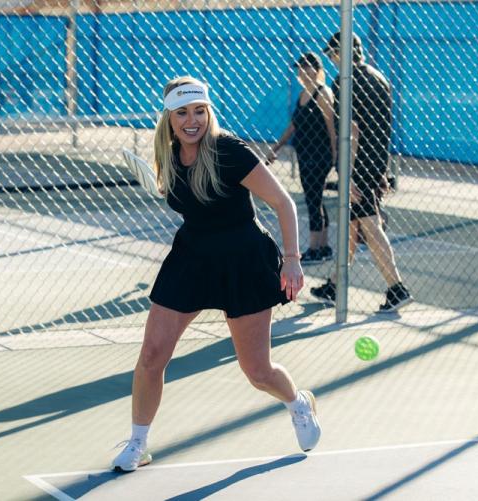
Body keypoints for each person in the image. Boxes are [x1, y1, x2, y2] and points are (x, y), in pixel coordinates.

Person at [111, 76, 321, 472]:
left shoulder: (229, 151)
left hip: (244, 258)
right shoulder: (169, 154)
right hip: (192, 257)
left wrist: (292, 258)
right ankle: (138, 443)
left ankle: (298, 403)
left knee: (257, 371)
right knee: (152, 355)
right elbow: (186, 197)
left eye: (199, 111)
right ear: (169, 117)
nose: (192, 120)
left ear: (209, 111)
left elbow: (282, 202)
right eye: (182, 113)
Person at [310, 32, 413, 313]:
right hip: (374, 164)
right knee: (352, 229)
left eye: (332, 54)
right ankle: (333, 285)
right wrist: (382, 170)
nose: (331, 60)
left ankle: (396, 288)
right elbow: (383, 129)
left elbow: (352, 132)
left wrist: (348, 176)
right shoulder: (379, 78)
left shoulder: (345, 82)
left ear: (341, 53)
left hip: (358, 168)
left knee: (369, 225)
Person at [268, 52, 337, 265]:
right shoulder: (302, 95)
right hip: (305, 155)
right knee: (315, 199)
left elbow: (332, 128)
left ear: (316, 70)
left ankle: (315, 248)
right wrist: (275, 148)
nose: (302, 71)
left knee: (312, 200)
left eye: (306, 67)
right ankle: (324, 246)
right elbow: (293, 125)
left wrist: (335, 160)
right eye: (300, 67)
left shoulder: (323, 93)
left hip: (320, 156)